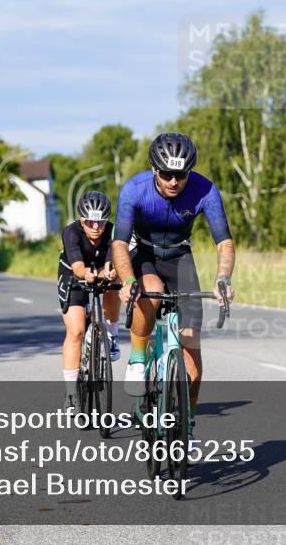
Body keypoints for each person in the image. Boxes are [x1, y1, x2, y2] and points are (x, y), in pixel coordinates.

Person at [112, 132, 235, 429]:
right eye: (166, 174)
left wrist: (222, 278)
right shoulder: (134, 189)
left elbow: (224, 242)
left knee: (191, 357)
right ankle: (138, 357)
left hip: (180, 258)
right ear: (155, 169)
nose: (173, 181)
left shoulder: (205, 189)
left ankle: (188, 424)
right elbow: (119, 243)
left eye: (181, 175)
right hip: (144, 253)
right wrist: (128, 279)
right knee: (150, 291)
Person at [57, 191, 120, 409]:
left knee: (115, 281)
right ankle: (71, 392)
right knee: (76, 331)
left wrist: (110, 273)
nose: (96, 227)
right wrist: (88, 275)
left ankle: (111, 333)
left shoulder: (113, 231)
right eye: (90, 222)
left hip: (101, 270)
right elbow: (78, 267)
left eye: (100, 222)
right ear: (82, 220)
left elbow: (115, 260)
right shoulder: (71, 232)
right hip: (74, 274)